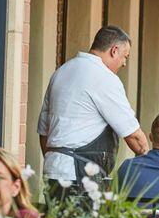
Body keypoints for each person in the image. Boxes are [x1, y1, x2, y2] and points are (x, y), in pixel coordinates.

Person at [37, 25, 149, 188]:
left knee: (57, 215)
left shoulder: (61, 72)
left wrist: (55, 162)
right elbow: (134, 137)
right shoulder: (104, 78)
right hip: (80, 176)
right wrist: (149, 162)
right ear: (114, 50)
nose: (124, 63)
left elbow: (44, 131)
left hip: (52, 171)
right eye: (125, 56)